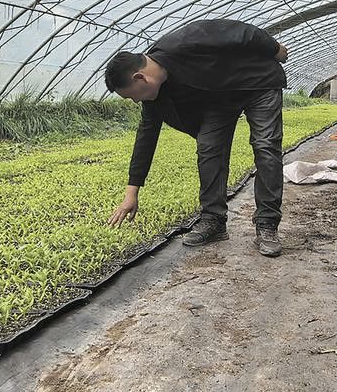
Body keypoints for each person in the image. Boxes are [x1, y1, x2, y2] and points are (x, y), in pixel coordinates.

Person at [103, 18, 288, 258]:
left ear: (140, 78)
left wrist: (275, 49)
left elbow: (241, 32)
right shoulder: (157, 95)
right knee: (209, 147)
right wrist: (132, 193)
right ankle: (213, 220)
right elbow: (146, 137)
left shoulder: (184, 42)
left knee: (265, 146)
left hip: (258, 81)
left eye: (132, 96)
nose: (136, 101)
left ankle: (267, 223)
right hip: (220, 96)